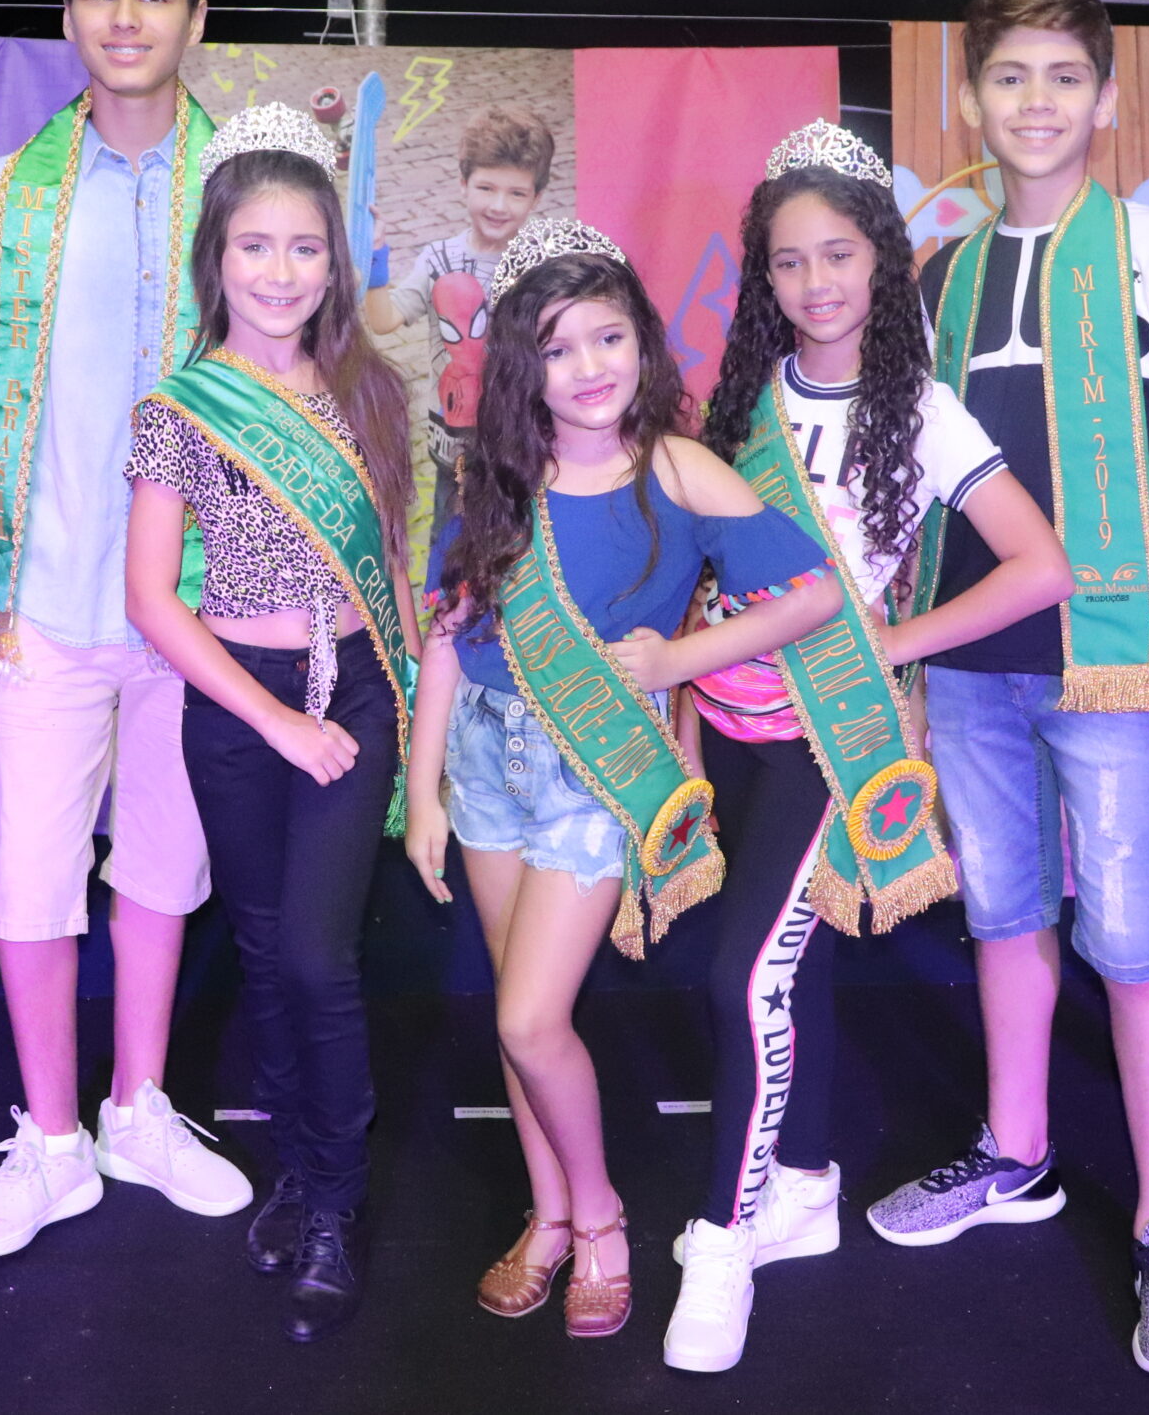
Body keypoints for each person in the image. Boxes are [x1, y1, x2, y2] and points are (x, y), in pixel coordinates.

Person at [862, 0, 1149, 1379]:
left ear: (1107, 98)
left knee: (1137, 944)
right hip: (971, 660)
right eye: (1009, 76)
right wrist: (906, 663)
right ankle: (1013, 1148)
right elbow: (915, 485)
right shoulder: (938, 276)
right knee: (1004, 916)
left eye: (1063, 76)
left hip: (1114, 668)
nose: (1035, 101)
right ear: (969, 98)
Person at [669, 123, 1071, 1372]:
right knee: (795, 971)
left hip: (829, 737)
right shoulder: (744, 400)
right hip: (731, 725)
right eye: (789, 262)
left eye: (838, 255)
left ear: (881, 264)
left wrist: (893, 645)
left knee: (743, 979)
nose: (816, 283)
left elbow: (1041, 566)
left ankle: (725, 1236)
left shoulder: (924, 413)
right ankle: (801, 1184)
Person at [404, 220, 843, 1341]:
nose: (589, 367)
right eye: (557, 349)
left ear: (643, 341)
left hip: (595, 767)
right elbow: (449, 632)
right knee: (516, 1015)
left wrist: (677, 659)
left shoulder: (677, 467)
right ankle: (548, 1213)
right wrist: (422, 788)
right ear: (523, 367)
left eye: (608, 337)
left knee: (529, 1016)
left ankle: (598, 1214)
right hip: (486, 759)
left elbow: (813, 593)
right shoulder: (496, 473)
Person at [0, 0, 254, 1259]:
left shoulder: (245, 186)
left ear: (196, 15)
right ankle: (52, 1139)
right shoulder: (5, 194)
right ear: (69, 15)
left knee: (165, 871)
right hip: (47, 600)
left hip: (199, 610)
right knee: (30, 880)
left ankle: (140, 1108)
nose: (126, 20)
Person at [124, 102, 418, 1341]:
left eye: (305, 247)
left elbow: (393, 566)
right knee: (256, 953)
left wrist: (410, 719)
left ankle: (337, 1202)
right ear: (217, 257)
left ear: (333, 262)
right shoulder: (179, 408)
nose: (281, 271)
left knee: (314, 958)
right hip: (238, 709)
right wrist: (269, 718)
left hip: (352, 696)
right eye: (256, 245)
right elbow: (152, 598)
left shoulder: (370, 392)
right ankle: (298, 1166)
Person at [364, 105, 556, 568]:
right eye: (486, 188)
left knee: (519, 546)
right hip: (452, 445)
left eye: (516, 193)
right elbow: (384, 320)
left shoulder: (544, 267)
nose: (498, 205)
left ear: (536, 198)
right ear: (463, 184)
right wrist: (375, 258)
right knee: (449, 546)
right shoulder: (437, 259)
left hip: (521, 441)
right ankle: (444, 608)